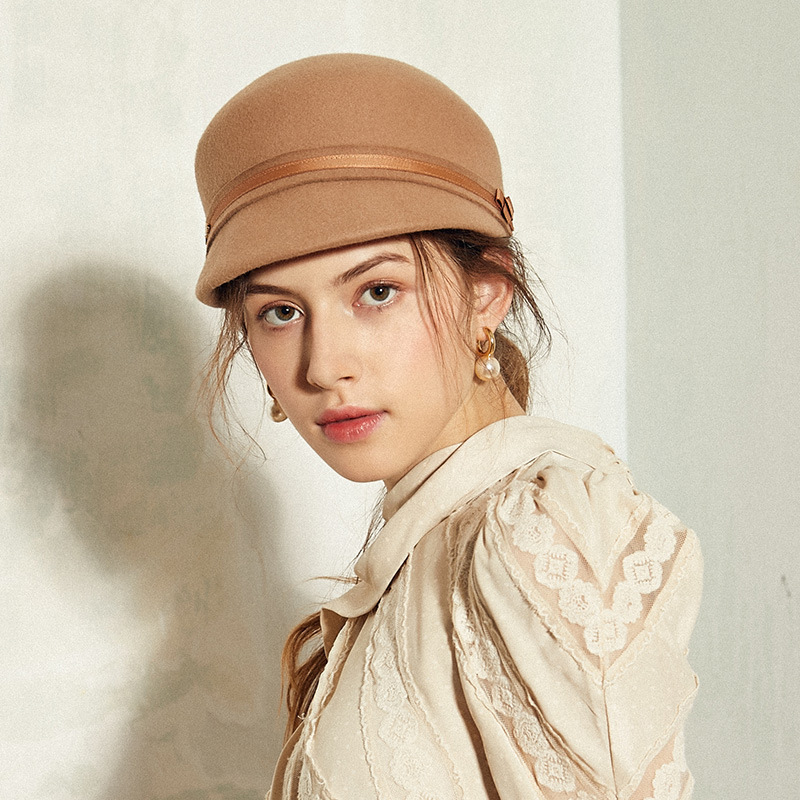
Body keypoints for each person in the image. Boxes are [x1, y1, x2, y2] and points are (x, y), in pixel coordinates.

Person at [194, 54, 702, 800]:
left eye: (377, 291)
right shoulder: (425, 542)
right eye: (280, 311)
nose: (323, 365)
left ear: (486, 295)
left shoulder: (539, 528)